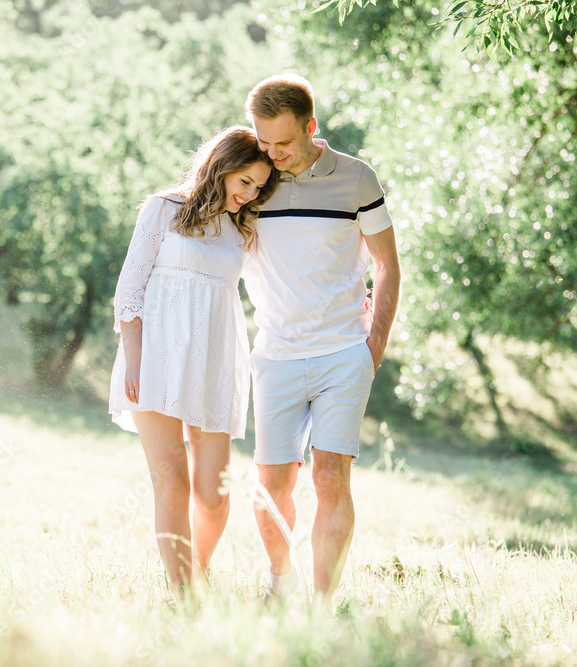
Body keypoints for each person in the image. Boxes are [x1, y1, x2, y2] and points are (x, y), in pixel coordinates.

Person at [243, 74, 402, 602]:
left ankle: (323, 605)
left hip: (342, 355)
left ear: (311, 127)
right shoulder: (252, 176)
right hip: (275, 355)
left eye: (283, 143)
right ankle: (279, 582)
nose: (272, 154)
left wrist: (372, 347)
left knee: (330, 478)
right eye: (263, 142)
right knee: (272, 486)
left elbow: (387, 265)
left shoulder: (356, 179)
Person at [109, 126, 278, 596]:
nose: (249, 194)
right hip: (155, 359)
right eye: (245, 181)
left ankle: (197, 571)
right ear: (221, 167)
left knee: (214, 494)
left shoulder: (242, 227)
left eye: (259, 187)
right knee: (171, 483)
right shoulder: (163, 209)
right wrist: (135, 363)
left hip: (214, 362)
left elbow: (279, 277)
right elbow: (129, 293)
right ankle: (184, 594)